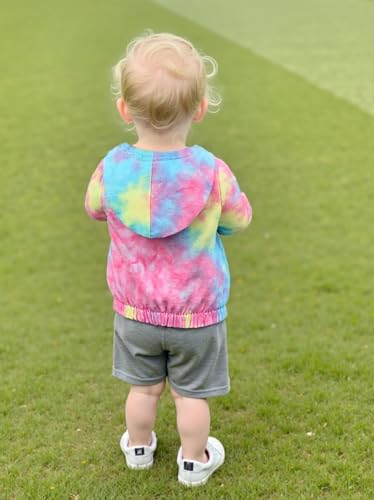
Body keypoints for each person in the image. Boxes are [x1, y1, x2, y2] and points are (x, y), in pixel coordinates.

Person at [84, 32, 252, 487]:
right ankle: (194, 461)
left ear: (125, 109)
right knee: (190, 394)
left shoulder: (113, 168)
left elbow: (94, 206)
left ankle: (139, 448)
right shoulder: (212, 172)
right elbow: (239, 220)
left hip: (135, 311)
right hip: (196, 313)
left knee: (143, 388)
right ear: (199, 108)